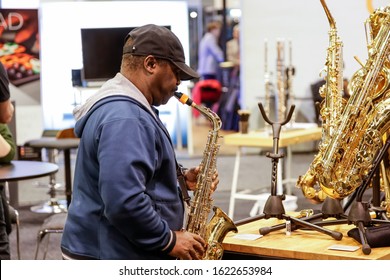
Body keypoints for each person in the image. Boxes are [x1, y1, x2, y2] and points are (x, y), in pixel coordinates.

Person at [61, 24, 219, 260]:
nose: (179, 83)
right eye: (176, 73)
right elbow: (123, 201)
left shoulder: (124, 110)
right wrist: (168, 240)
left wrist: (180, 179)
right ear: (151, 64)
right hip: (107, 254)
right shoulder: (126, 118)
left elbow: (132, 177)